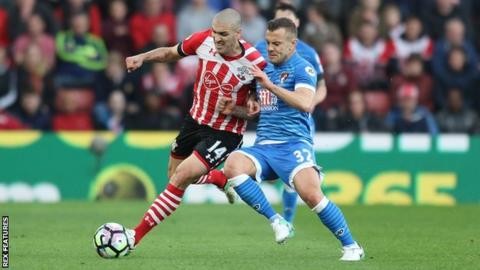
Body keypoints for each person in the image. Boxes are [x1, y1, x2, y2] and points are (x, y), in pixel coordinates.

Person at [222, 18, 364, 261]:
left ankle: (351, 246)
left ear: (292, 44)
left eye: (277, 43)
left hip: (294, 145)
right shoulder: (263, 67)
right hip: (265, 146)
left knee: (311, 196)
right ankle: (278, 221)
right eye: (268, 43)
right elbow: (261, 110)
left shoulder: (303, 68)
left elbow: (305, 104)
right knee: (232, 166)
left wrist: (270, 85)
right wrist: (234, 110)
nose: (271, 48)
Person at [124, 8, 266, 248]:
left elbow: (258, 112)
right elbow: (170, 53)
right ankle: (218, 178)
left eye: (223, 34)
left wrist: (234, 110)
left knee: (180, 178)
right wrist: (143, 57)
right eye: (214, 32)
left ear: (238, 33)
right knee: (174, 175)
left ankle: (133, 237)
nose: (216, 38)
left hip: (225, 133)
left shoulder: (255, 64)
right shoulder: (203, 40)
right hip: (194, 121)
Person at [254, 2, 327, 224]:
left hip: (297, 120)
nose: (271, 47)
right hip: (270, 119)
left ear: (296, 24)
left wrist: (309, 101)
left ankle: (288, 220)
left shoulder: (307, 54)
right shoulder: (258, 48)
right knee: (254, 171)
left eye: (288, 18)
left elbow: (322, 87)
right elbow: (252, 83)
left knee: (293, 179)